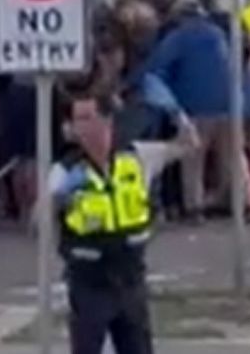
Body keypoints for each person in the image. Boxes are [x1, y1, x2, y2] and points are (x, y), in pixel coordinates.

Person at [51, 94, 198, 354]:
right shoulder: (66, 171)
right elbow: (39, 217)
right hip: (89, 284)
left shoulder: (136, 158)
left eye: (86, 118)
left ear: (107, 121)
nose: (79, 127)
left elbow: (187, 145)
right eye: (76, 120)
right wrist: (56, 201)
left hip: (130, 281)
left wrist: (177, 113)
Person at [137, 0, 233, 223]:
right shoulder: (217, 33)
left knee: (192, 160)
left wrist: (130, 83)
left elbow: (155, 66)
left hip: (197, 107)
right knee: (232, 159)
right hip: (228, 106)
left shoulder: (179, 37)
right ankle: (246, 203)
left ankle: (194, 209)